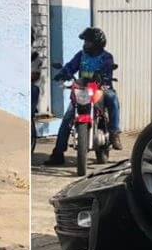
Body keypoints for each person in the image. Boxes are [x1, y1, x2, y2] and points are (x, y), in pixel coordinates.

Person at [42, 27, 121, 167]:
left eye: (88, 42)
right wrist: (63, 73)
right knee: (67, 118)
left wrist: (103, 76)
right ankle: (58, 154)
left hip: (101, 87)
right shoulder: (81, 55)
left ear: (97, 43)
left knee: (113, 99)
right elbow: (71, 66)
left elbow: (108, 70)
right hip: (83, 89)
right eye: (85, 42)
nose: (85, 44)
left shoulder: (106, 57)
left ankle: (114, 133)